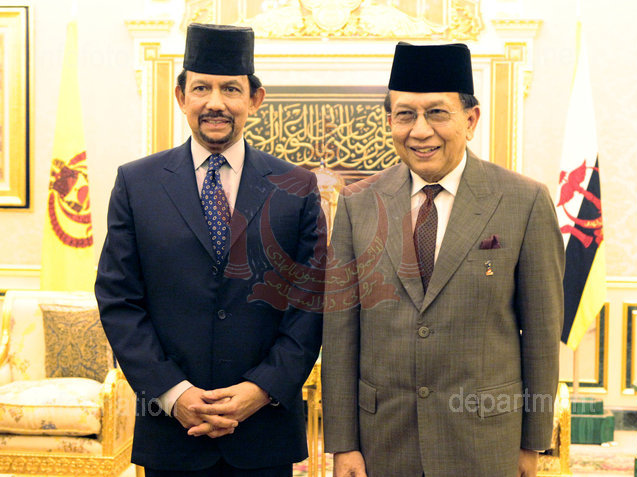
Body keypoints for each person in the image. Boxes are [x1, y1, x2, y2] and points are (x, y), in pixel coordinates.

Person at [321, 42, 564, 477]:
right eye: (405, 115)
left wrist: (533, 444)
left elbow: (542, 335)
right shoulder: (359, 203)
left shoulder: (523, 201)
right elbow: (340, 334)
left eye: (437, 113)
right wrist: (343, 445)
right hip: (383, 443)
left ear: (470, 120)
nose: (420, 131)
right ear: (390, 121)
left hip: (486, 442)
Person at [95, 23, 325, 477]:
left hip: (264, 434)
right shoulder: (136, 184)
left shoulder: (296, 188)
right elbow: (119, 300)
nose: (215, 102)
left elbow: (311, 302)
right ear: (181, 96)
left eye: (231, 89)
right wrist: (173, 393)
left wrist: (261, 389)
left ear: (255, 99)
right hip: (172, 432)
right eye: (201, 88)